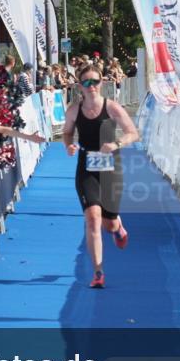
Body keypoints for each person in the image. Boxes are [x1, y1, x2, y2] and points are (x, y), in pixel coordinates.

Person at [62, 63, 140, 289]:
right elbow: (67, 133)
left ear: (102, 83)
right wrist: (69, 146)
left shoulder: (112, 107)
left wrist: (116, 143)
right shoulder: (74, 110)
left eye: (95, 81)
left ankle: (119, 227)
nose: (91, 86)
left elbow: (133, 133)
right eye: (86, 82)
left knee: (109, 224)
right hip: (86, 166)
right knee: (93, 218)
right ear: (80, 86)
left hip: (110, 168)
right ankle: (98, 272)